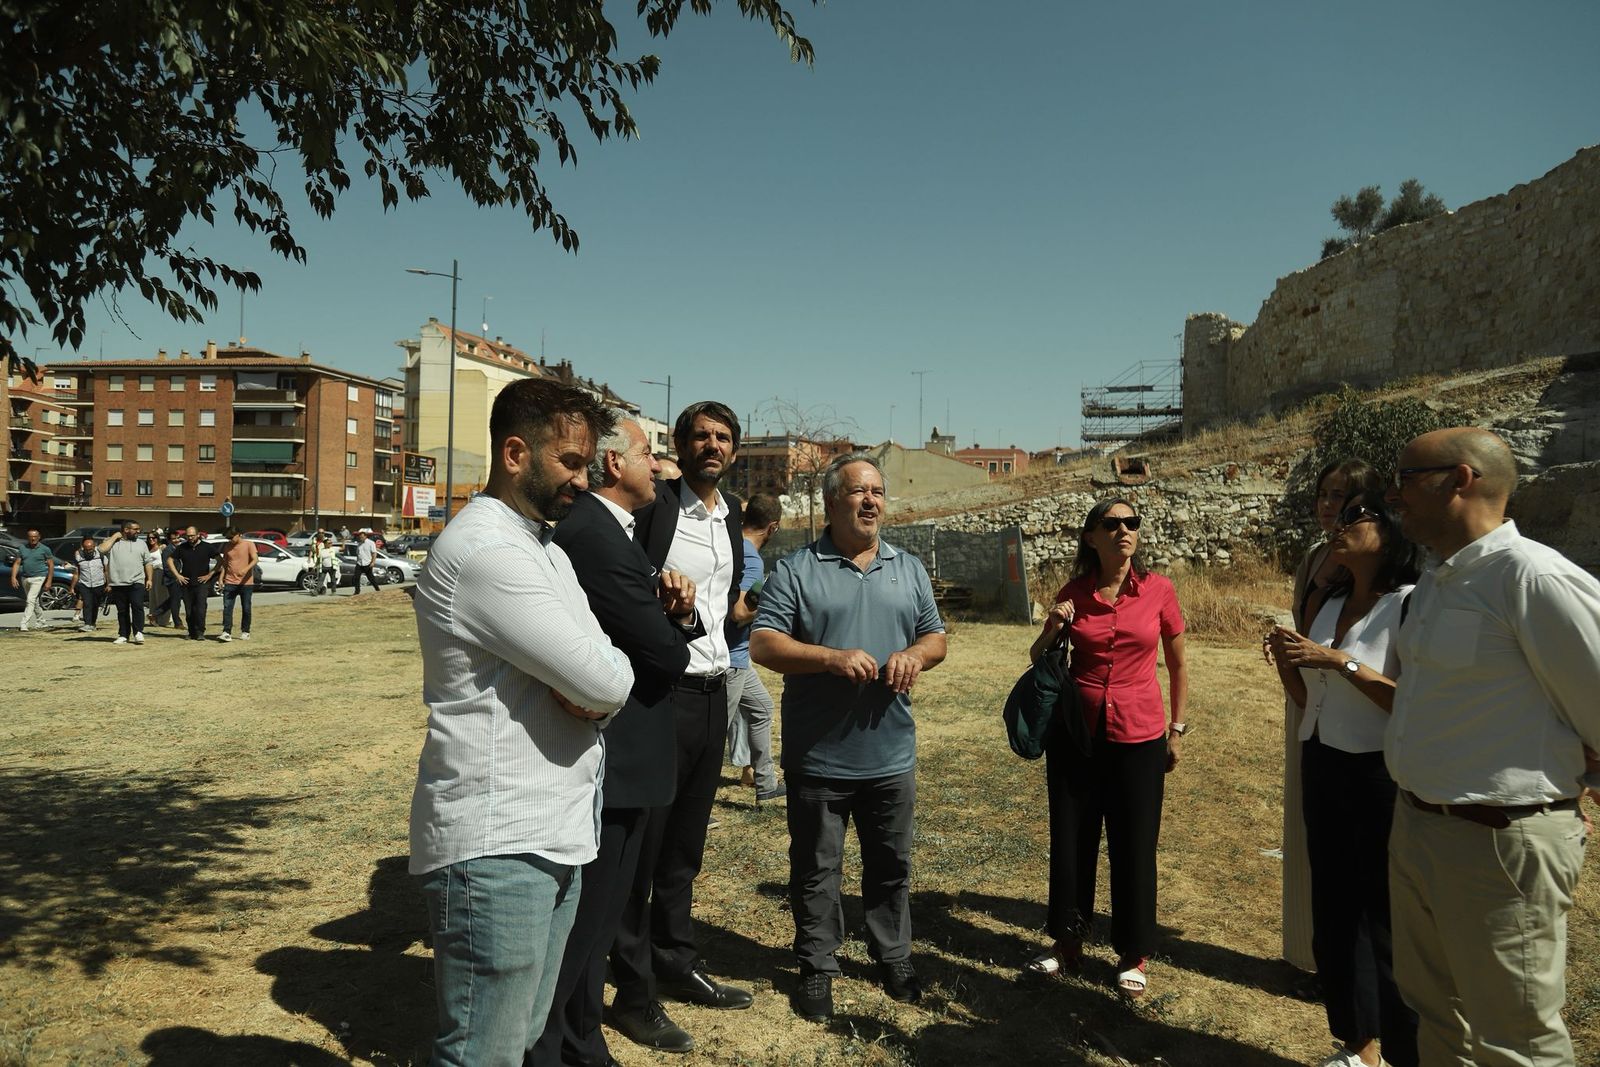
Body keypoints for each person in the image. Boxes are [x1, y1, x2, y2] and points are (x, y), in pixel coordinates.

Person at [409, 378, 633, 1067]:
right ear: (514, 452)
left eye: (589, 462)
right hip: (498, 842)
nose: (583, 478)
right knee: (483, 1050)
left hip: (553, 830)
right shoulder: (488, 552)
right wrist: (594, 683)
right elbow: (609, 677)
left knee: (523, 1031)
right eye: (569, 461)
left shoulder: (549, 551)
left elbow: (604, 666)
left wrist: (593, 682)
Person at [1384, 427, 1599, 1067]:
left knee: (1518, 1040)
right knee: (1436, 1016)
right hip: (1420, 828)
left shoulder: (1533, 578)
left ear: (1461, 480)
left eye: (1407, 479)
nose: (1395, 497)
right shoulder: (1437, 584)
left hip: (1500, 846)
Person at [751, 454, 947, 1022]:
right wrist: (829, 659)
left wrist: (914, 655)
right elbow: (764, 644)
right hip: (820, 755)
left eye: (878, 491)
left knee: (891, 863)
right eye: (858, 491)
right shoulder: (796, 570)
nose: (871, 501)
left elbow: (936, 637)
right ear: (832, 502)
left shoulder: (907, 568)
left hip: (890, 752)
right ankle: (817, 964)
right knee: (816, 867)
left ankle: (894, 955)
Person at [536, 416, 703, 1066]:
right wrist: (673, 627)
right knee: (586, 925)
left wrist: (673, 616)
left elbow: (656, 637)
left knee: (599, 920)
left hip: (628, 759)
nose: (658, 462)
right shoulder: (596, 537)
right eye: (646, 450)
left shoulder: (615, 534)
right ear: (612, 462)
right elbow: (663, 656)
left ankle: (580, 1039)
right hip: (615, 759)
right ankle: (564, 1044)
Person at [611, 400, 753, 1051]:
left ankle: (676, 957)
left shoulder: (731, 517)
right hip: (661, 695)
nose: (712, 445)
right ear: (682, 444)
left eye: (723, 437)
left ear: (733, 449)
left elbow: (725, 606)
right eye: (701, 435)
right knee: (644, 847)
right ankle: (630, 990)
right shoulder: (657, 510)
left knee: (685, 846)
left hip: (715, 692)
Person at [1268, 491, 1421, 1067]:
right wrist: (1290, 663)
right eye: (1337, 514)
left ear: (1390, 531)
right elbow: (1312, 701)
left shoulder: (1409, 605)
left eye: (1357, 516)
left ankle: (1402, 1047)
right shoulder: (1329, 603)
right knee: (1334, 908)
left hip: (1378, 773)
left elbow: (1412, 703)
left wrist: (1341, 662)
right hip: (1324, 760)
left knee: (1382, 914)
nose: (1340, 524)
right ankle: (1357, 1045)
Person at [1023, 498, 1187, 999]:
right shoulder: (1073, 593)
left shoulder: (1159, 590)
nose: (1123, 531)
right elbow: (1038, 658)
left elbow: (1178, 664)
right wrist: (1054, 626)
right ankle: (1068, 942)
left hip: (1139, 736)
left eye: (1131, 522)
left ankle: (1132, 952)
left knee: (1134, 843)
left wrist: (1177, 728)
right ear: (1090, 537)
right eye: (1111, 524)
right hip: (1077, 736)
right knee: (1073, 839)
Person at [1279, 457, 1386, 975]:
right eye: (1322, 495)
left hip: (1358, 721)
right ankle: (1305, 952)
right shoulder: (1316, 558)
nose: (1327, 506)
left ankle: (1331, 966)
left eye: (1340, 497)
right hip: (1309, 699)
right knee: (1307, 836)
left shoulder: (1376, 573)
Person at [726, 492, 784, 802]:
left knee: (761, 707)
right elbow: (738, 612)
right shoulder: (750, 557)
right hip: (730, 658)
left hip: (737, 658)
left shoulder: (733, 544)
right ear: (772, 527)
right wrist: (769, 605)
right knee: (709, 737)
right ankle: (692, 803)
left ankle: (767, 785)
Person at [99, 521, 154, 645]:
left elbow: (148, 562)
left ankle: (138, 632)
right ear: (126, 530)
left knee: (137, 606)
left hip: (137, 581)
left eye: (139, 529)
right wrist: (114, 537)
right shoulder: (113, 542)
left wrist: (149, 579)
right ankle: (123, 634)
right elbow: (101, 549)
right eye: (135, 529)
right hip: (118, 582)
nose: (138, 531)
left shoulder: (141, 544)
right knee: (122, 610)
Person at [167, 526, 218, 640]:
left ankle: (200, 632)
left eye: (192, 535)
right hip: (186, 583)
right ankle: (191, 632)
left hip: (202, 583)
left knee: (200, 608)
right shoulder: (182, 547)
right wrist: (178, 575)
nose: (190, 538)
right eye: (188, 536)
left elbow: (220, 561)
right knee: (189, 610)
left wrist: (210, 575)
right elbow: (169, 560)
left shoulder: (207, 547)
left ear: (198, 534)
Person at [9, 527, 55, 631]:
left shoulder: (45, 549)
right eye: (31, 537)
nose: (33, 539)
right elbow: (17, 563)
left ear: (39, 537)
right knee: (34, 601)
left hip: (39, 576)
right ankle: (41, 621)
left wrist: (49, 580)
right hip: (25, 577)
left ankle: (24, 624)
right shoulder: (22, 548)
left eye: (35, 537)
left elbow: (51, 565)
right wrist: (13, 577)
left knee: (30, 600)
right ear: (28, 538)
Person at [217, 528, 259, 641]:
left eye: (231, 537)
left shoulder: (249, 544)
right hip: (230, 582)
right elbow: (225, 564)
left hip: (246, 583)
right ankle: (226, 632)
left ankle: (245, 631)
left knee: (246, 608)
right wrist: (221, 578)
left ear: (239, 534)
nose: (230, 540)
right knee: (227, 607)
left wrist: (246, 569)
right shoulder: (227, 547)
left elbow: (255, 559)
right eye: (228, 538)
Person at [68, 535, 109, 633]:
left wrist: (108, 584)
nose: (89, 551)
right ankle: (87, 624)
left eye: (91, 549)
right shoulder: (78, 556)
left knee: (95, 604)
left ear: (94, 546)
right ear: (83, 547)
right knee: (87, 603)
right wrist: (72, 587)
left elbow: (106, 571)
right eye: (86, 549)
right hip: (84, 584)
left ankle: (92, 623)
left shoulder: (101, 555)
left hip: (99, 584)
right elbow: (76, 573)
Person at [156, 528, 186, 628]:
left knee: (174, 600)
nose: (177, 540)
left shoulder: (179, 548)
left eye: (178, 538)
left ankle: (154, 614)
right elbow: (167, 567)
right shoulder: (167, 550)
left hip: (181, 578)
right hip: (172, 579)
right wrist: (176, 576)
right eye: (174, 539)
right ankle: (177, 622)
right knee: (175, 601)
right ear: (169, 540)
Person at [353, 529, 378, 594]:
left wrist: (373, 562)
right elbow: (358, 554)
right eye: (360, 537)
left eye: (362, 537)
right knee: (356, 577)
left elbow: (374, 553)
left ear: (365, 536)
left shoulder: (371, 543)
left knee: (371, 578)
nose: (361, 538)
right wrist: (357, 561)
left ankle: (377, 589)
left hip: (367, 563)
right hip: (359, 563)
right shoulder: (359, 544)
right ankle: (357, 591)